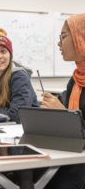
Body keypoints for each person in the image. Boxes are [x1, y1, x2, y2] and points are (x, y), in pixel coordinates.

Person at [40, 13, 85, 189]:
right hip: (74, 154)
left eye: (63, 36)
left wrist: (63, 114)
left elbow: (70, 118)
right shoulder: (76, 79)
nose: (59, 43)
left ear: (80, 37)